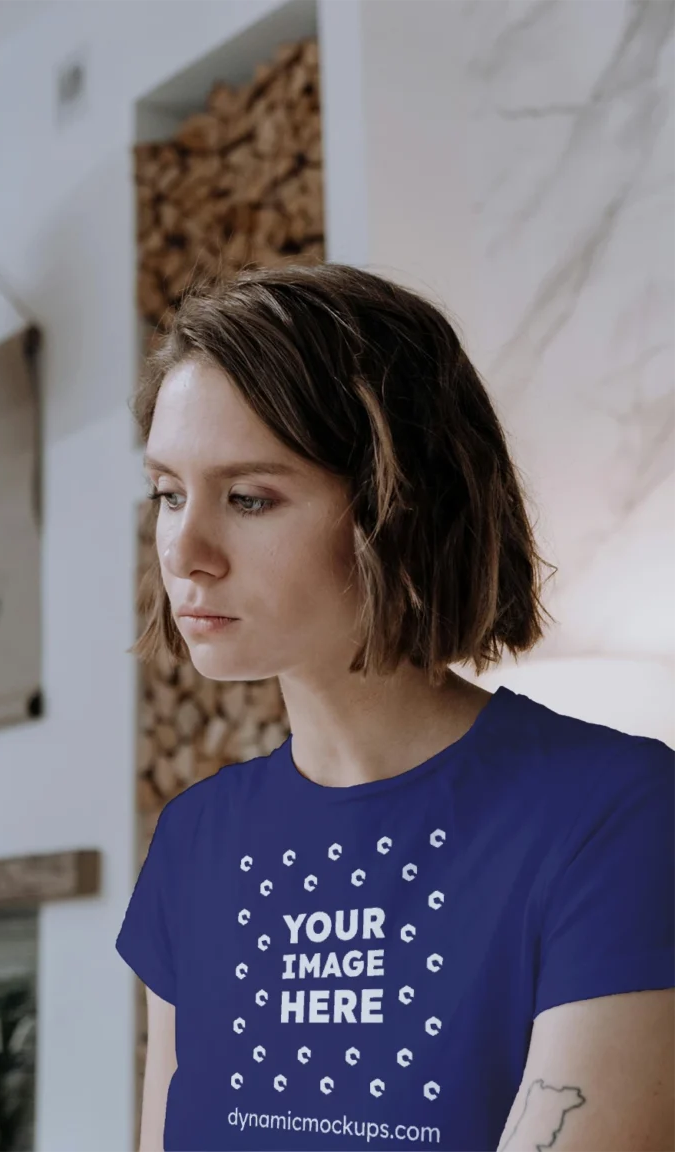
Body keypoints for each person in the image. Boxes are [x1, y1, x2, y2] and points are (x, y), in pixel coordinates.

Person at [116, 262, 675, 1152]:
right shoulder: (194, 840)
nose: (184, 549)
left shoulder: (615, 813)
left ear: (399, 505)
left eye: (250, 497)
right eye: (168, 494)